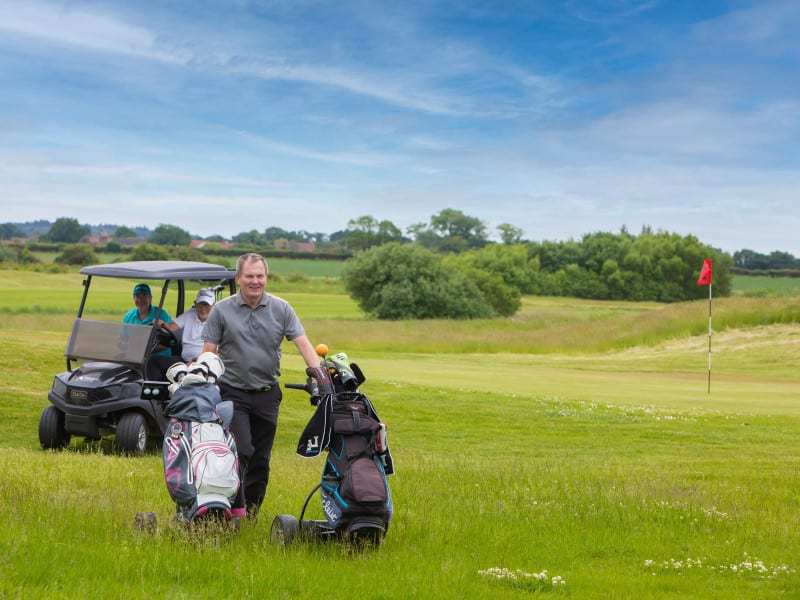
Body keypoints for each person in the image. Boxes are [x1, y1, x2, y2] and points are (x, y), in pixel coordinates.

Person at [201, 253, 330, 519]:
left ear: (266, 277)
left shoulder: (282, 309)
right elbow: (208, 352)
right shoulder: (221, 310)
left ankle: (250, 512)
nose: (255, 281)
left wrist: (321, 376)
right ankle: (232, 508)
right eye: (249, 276)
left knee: (261, 458)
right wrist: (201, 381)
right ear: (238, 278)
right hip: (232, 393)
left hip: (267, 394)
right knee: (242, 451)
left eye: (260, 276)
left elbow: (304, 344)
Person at [122, 282, 176, 379]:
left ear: (150, 298)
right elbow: (123, 340)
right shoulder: (128, 316)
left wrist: (145, 350)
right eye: (138, 296)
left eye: (144, 296)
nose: (140, 300)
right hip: (136, 359)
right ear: (133, 298)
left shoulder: (161, 314)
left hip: (159, 360)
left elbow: (170, 341)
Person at [169, 288, 215, 362]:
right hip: (184, 361)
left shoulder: (218, 321)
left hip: (205, 362)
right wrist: (158, 324)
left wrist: (195, 362)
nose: (203, 308)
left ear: (213, 305)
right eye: (200, 304)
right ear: (195, 304)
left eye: (206, 305)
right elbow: (170, 328)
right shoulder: (189, 314)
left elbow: (217, 352)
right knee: (153, 361)